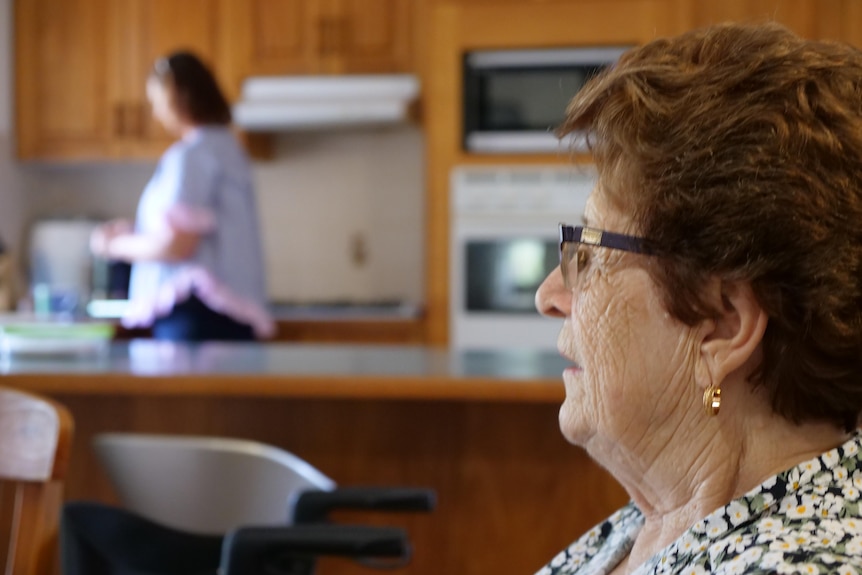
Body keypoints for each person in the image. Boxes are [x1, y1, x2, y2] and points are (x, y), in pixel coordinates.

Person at [533, 21, 862, 575]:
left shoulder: (804, 565)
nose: (549, 295)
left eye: (587, 251)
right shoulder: (661, 520)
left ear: (722, 323)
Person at [91, 51, 274, 341]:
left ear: (174, 95)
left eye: (156, 102)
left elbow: (178, 246)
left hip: (196, 319)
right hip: (226, 318)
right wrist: (139, 232)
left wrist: (115, 245)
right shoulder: (229, 150)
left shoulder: (192, 157)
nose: (155, 113)